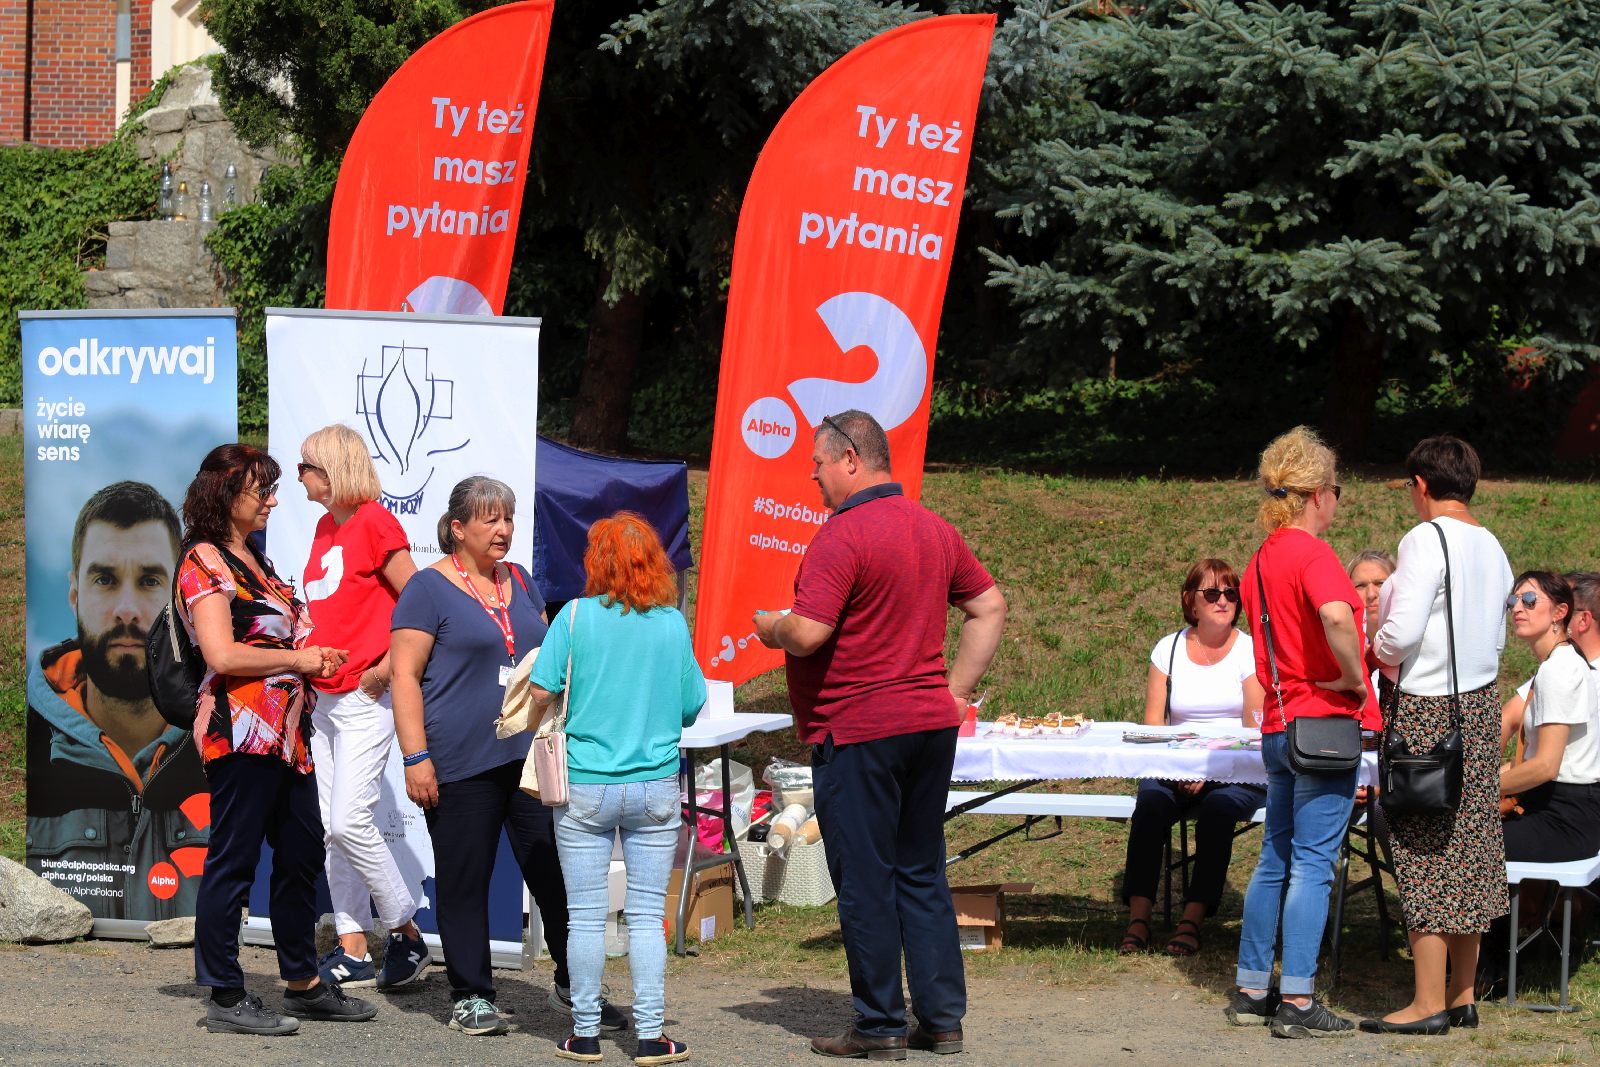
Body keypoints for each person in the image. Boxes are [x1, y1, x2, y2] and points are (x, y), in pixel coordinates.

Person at [753, 409, 1006, 1060]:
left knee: (866, 879)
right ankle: (942, 1021)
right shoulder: (933, 528)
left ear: (851, 458)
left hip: (860, 729)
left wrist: (772, 625)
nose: (812, 476)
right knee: (920, 871)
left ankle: (879, 1024)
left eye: (817, 463)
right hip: (927, 727)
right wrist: (953, 692)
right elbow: (989, 605)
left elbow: (808, 633)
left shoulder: (841, 535)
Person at [178, 444, 376, 1035]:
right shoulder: (204, 560)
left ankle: (302, 983)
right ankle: (224, 992)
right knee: (234, 858)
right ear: (224, 493)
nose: (272, 500)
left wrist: (314, 656)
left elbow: (278, 633)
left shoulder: (254, 557)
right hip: (240, 729)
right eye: (260, 490)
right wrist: (299, 658)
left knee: (300, 852)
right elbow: (221, 655)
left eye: (272, 488)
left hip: (287, 732)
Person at [390, 476, 597, 1037]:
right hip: (459, 760)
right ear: (458, 529)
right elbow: (404, 677)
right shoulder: (427, 589)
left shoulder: (521, 580)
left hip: (529, 757)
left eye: (508, 518)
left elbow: (546, 654)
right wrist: (415, 756)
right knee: (465, 879)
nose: (503, 529)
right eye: (491, 520)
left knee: (553, 871)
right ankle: (471, 995)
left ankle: (574, 983)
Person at [527, 512, 706, 1065]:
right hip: (654, 786)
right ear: (654, 563)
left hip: (585, 785)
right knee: (646, 916)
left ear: (595, 563)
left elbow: (540, 691)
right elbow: (692, 705)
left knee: (585, 915)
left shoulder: (574, 617)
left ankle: (584, 1034)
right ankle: (651, 1036)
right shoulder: (671, 624)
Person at [1225, 426, 1378, 1039]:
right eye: (1336, 490)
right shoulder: (1313, 554)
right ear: (1318, 493)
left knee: (1275, 857)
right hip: (1322, 725)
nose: (1337, 501)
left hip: (1278, 722)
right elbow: (1337, 614)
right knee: (1314, 864)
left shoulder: (1261, 558)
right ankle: (1297, 997)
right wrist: (1353, 677)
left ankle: (1250, 989)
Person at [1361, 436, 1513, 1036]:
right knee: (1469, 846)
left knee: (1422, 846)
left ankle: (1426, 1003)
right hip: (1479, 705)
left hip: (1426, 709)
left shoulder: (1425, 539)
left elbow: (1400, 634)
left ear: (1421, 484)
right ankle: (1461, 995)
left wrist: (1373, 644)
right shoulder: (1492, 544)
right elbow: (1496, 636)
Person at [25, 481, 209, 920]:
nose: (127, 609)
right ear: (75, 594)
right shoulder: (30, 746)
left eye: (149, 581)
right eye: (105, 579)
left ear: (179, 595)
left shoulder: (224, 737)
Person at [296, 424, 431, 989]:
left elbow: (422, 602)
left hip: (363, 695)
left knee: (350, 819)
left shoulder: (375, 521)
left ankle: (407, 933)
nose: (299, 476)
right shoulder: (325, 526)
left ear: (331, 469)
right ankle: (353, 947)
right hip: (325, 698)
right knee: (334, 828)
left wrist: (385, 669)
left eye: (306, 466)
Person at [1120, 558, 1266, 958]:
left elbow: (1251, 730)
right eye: (1212, 593)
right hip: (1175, 764)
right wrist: (1182, 767)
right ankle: (1138, 919)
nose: (1223, 601)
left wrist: (1208, 770)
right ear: (1191, 601)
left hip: (1236, 768)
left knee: (1219, 809)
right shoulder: (1167, 650)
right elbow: (1154, 727)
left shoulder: (1249, 650)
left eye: (1231, 593)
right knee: (1150, 804)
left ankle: (1192, 919)